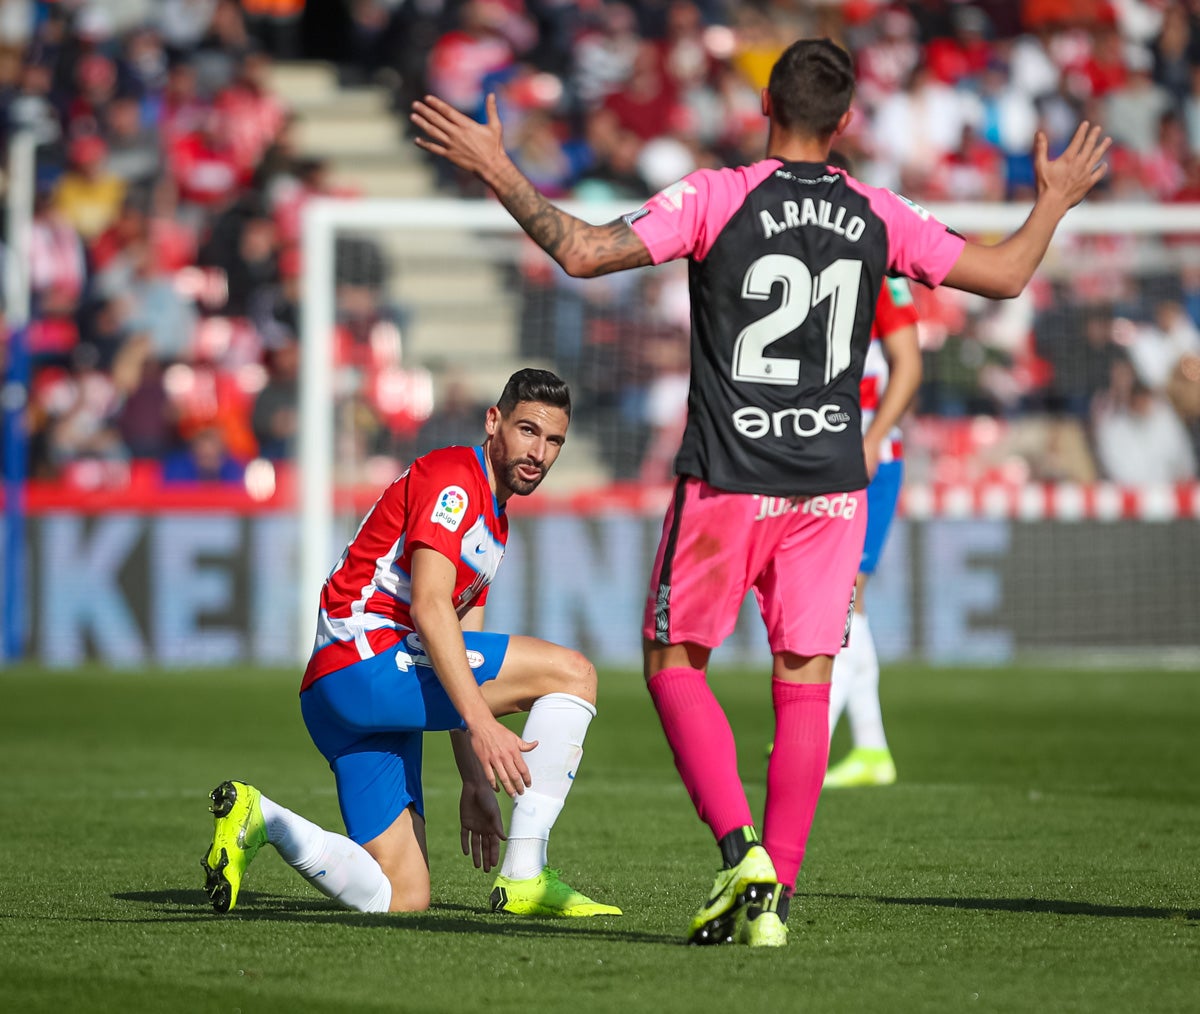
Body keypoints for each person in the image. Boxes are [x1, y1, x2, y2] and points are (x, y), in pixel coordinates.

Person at [411, 37, 1110, 948]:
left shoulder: (716, 197)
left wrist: (500, 167)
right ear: (847, 120)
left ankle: (742, 852)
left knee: (673, 666)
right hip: (832, 487)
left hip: (730, 478)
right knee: (806, 683)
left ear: (764, 106)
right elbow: (1009, 275)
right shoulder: (877, 213)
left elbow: (581, 252)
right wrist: (1052, 199)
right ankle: (774, 893)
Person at [201, 368, 621, 919]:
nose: (539, 452)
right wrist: (482, 725)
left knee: (403, 897)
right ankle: (525, 872)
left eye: (554, 441)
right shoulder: (454, 478)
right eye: (527, 430)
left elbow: (462, 644)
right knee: (574, 674)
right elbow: (429, 606)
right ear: (493, 421)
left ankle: (262, 819)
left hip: (344, 693)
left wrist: (474, 779)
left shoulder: (495, 523)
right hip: (367, 661)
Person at [823, 274, 921, 789]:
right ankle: (871, 746)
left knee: (843, 595)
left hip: (869, 457)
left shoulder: (879, 282)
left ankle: (816, 732)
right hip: (840, 453)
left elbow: (907, 365)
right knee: (848, 602)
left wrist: (874, 436)